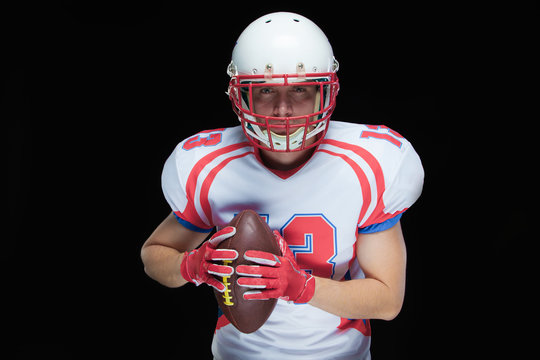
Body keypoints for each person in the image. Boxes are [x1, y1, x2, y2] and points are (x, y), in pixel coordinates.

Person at [141, 12, 424, 359]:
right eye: (265, 90)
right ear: (238, 95)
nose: (284, 109)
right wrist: (192, 266)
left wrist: (300, 287)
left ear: (328, 90)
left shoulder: (369, 163)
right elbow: (154, 257)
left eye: (301, 90)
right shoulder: (208, 165)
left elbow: (387, 300)